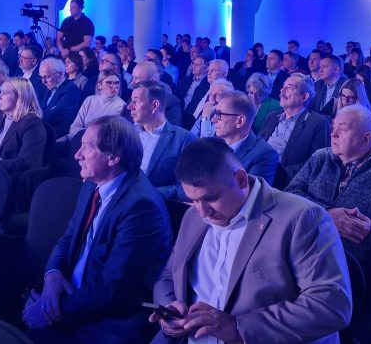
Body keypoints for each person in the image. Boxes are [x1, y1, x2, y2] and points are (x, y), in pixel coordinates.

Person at [150, 138, 352, 344]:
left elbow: (332, 305)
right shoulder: (192, 216)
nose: (203, 212)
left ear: (240, 179)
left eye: (211, 198)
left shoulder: (301, 218)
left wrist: (239, 328)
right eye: (194, 200)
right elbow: (168, 275)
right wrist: (170, 309)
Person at [24, 116, 171, 343]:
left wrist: (51, 311)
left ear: (112, 157)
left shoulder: (141, 207)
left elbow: (112, 289)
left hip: (111, 317)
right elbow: (67, 238)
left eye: (86, 147)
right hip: (76, 294)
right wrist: (52, 277)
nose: (77, 155)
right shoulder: (92, 185)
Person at [286, 105, 371, 262]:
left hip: (344, 262)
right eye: (333, 126)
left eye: (342, 129)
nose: (333, 134)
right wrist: (326, 213)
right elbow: (290, 193)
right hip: (297, 244)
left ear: (366, 139)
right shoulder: (320, 157)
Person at [129, 82, 195, 198]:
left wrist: (147, 194)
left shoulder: (184, 139)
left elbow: (184, 188)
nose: (130, 106)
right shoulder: (127, 134)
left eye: (136, 101)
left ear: (154, 106)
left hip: (152, 204)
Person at [260, 73, 331, 178]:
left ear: (304, 97)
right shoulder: (272, 116)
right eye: (283, 87)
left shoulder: (318, 123)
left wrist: (280, 174)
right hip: (258, 171)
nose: (282, 91)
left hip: (285, 179)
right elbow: (258, 145)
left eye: (289, 88)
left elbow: (317, 162)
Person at [0, 77, 48, 175]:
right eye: (0, 92)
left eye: (5, 93)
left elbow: (26, 161)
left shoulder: (32, 123)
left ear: (20, 96)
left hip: (10, 176)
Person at [210, 90, 279, 186]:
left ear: (240, 121)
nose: (213, 120)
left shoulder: (264, 155)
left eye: (219, 115)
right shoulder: (212, 142)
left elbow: (246, 193)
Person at [67, 71, 126, 140]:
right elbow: (74, 127)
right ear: (99, 86)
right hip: (80, 138)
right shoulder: (89, 100)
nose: (114, 86)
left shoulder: (121, 105)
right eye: (109, 83)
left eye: (117, 83)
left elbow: (105, 133)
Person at [36, 57, 82, 140]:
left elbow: (53, 116)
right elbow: (38, 108)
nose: (43, 81)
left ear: (60, 74)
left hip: (56, 135)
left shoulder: (71, 89)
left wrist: (37, 114)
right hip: (42, 129)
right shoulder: (46, 87)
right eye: (41, 77)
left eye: (47, 77)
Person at [130, 62, 182, 126]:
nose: (132, 82)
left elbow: (172, 130)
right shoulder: (131, 99)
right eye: (133, 77)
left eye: (137, 78)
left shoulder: (171, 103)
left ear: (152, 82)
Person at [176, 55, 210, 129]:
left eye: (197, 65)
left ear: (205, 68)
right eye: (193, 64)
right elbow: (177, 95)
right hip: (178, 111)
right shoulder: (186, 80)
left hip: (192, 117)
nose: (193, 67)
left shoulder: (208, 84)